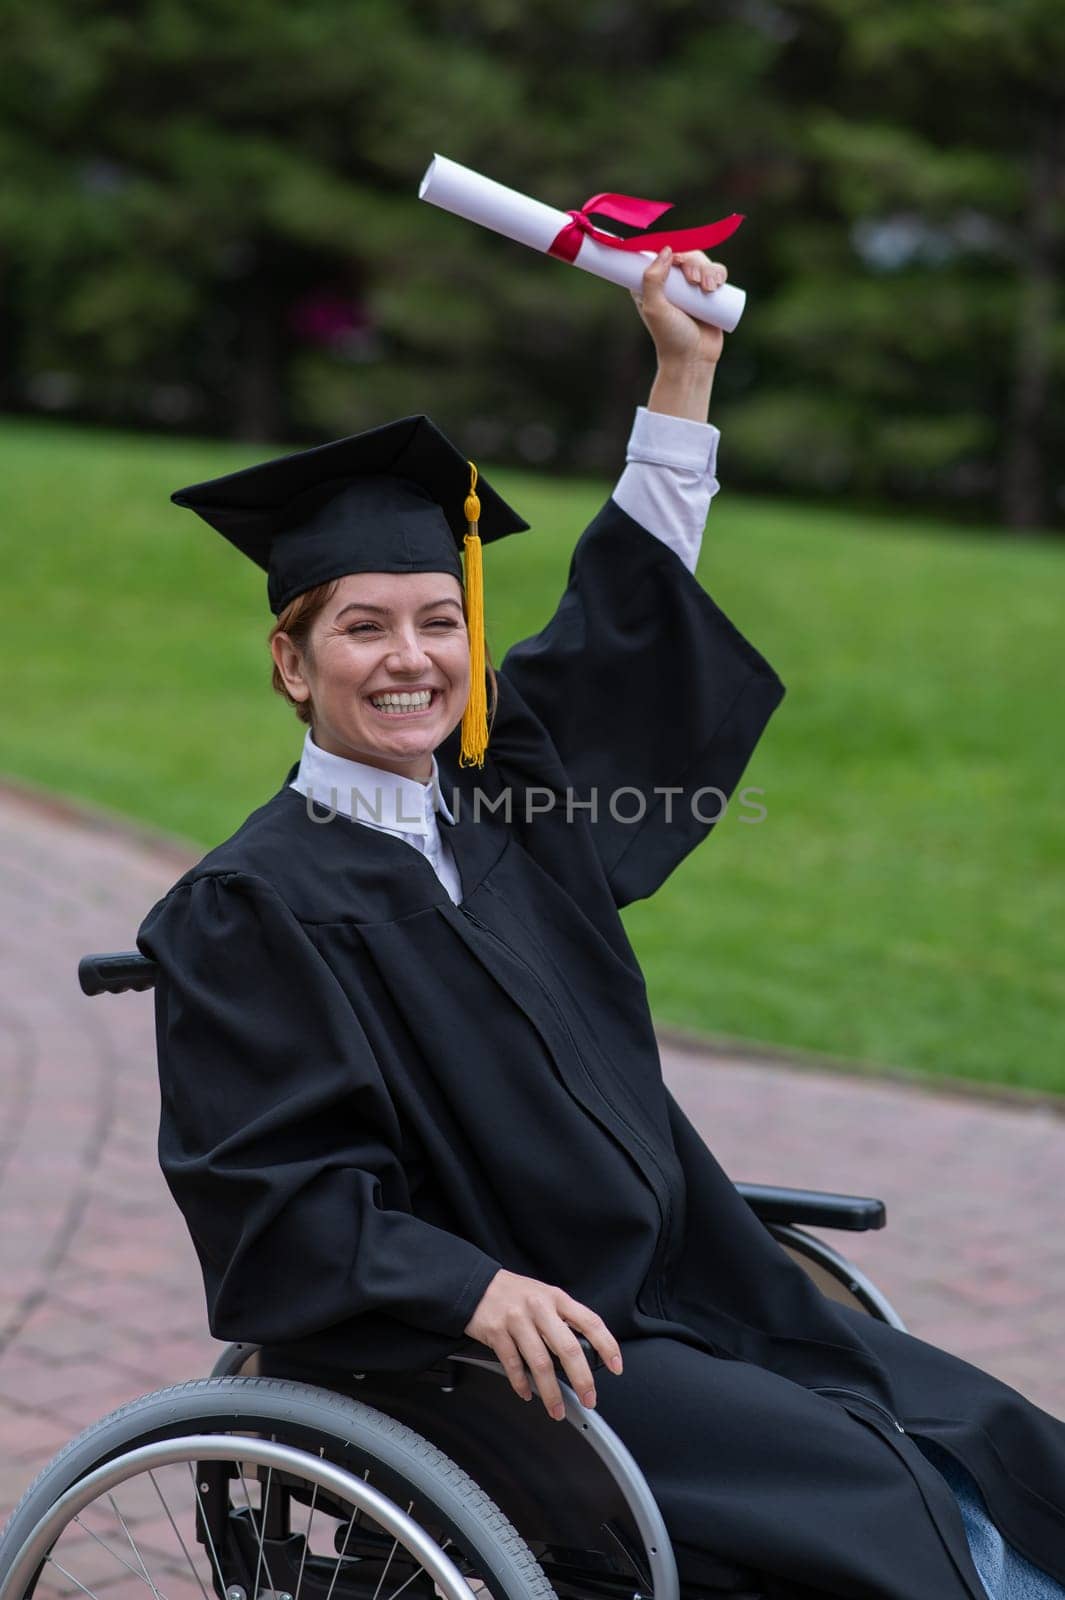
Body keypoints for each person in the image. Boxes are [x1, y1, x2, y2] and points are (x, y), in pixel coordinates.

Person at [137, 246, 1065, 1599]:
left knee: (985, 1438)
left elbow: (623, 623)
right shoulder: (250, 905)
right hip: (522, 1354)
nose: (410, 659)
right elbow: (275, 1200)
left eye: (438, 621)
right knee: (878, 1506)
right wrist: (468, 1287)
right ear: (291, 660)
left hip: (693, 1280)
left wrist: (680, 372)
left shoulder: (504, 802)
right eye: (361, 628)